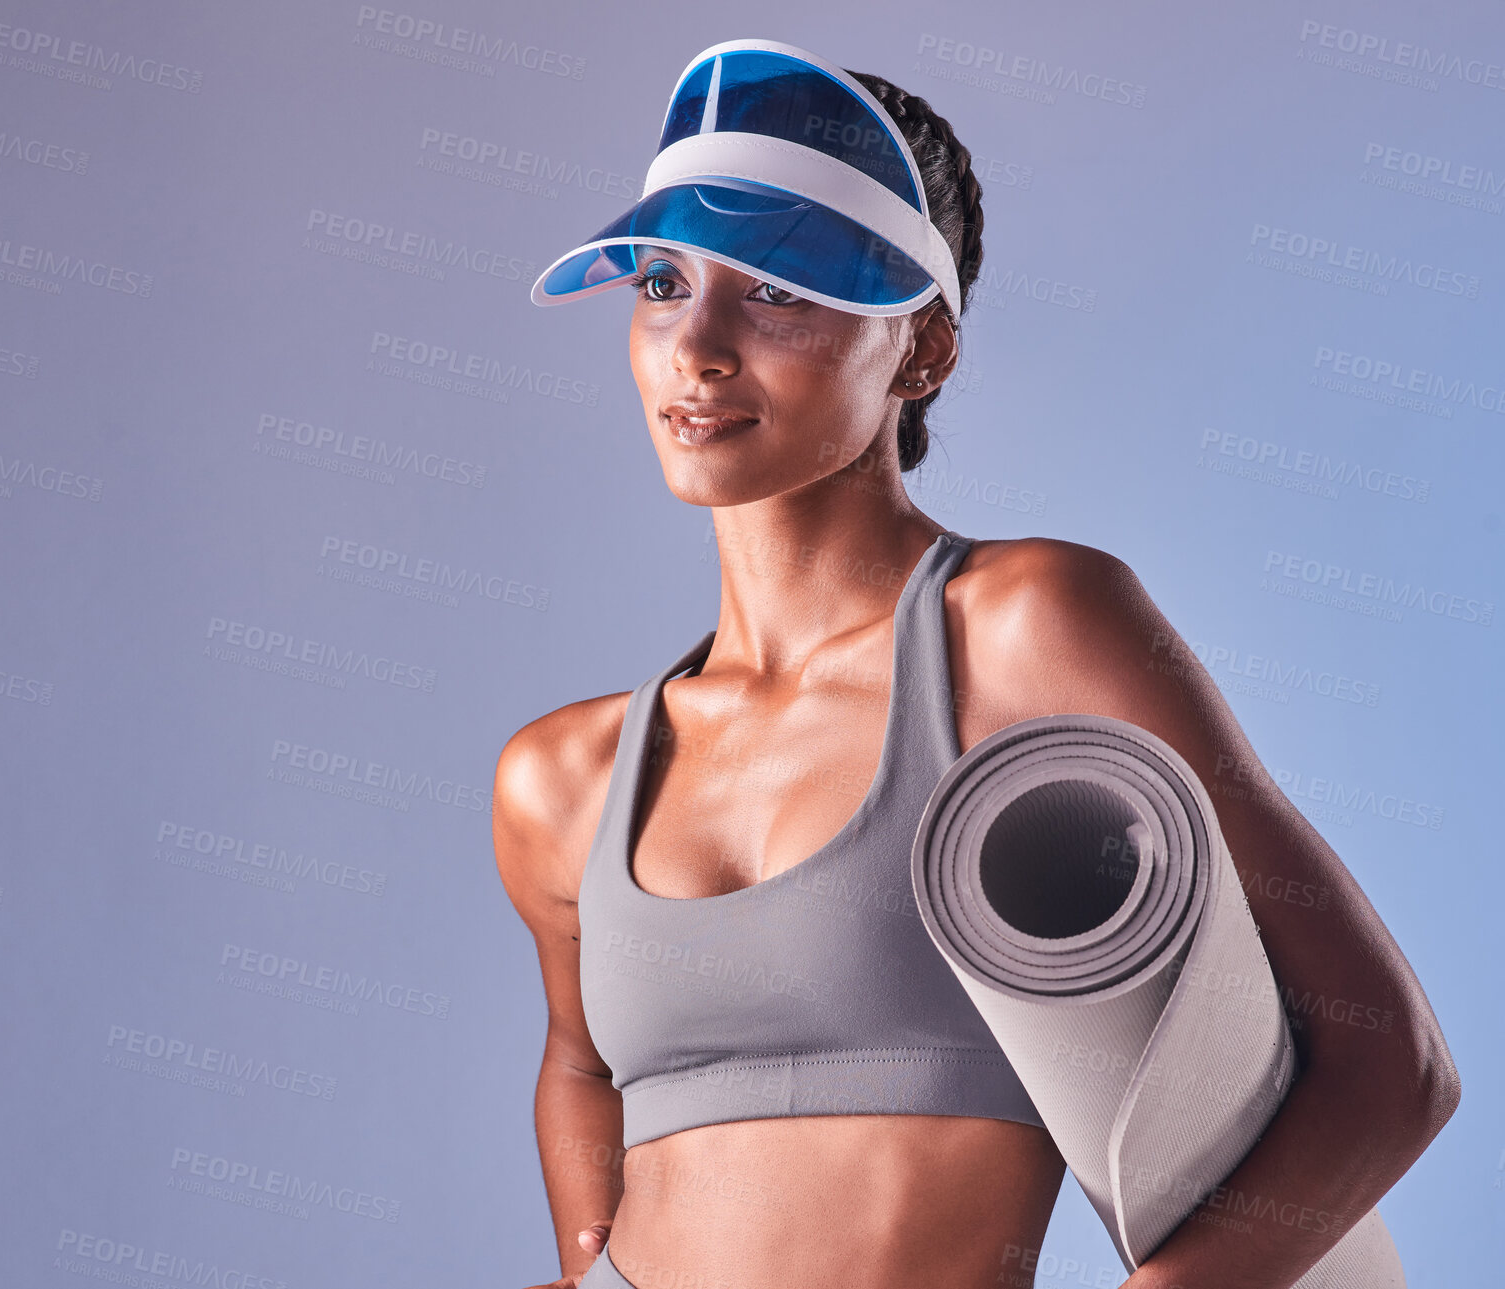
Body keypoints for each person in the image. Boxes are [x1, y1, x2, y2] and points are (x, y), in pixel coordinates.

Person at [493, 39, 1459, 1289]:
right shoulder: (560, 776)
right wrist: (579, 1271)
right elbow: (578, 1062)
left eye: (778, 290)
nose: (699, 348)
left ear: (923, 350)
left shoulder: (1024, 628)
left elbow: (1387, 1065)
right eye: (664, 282)